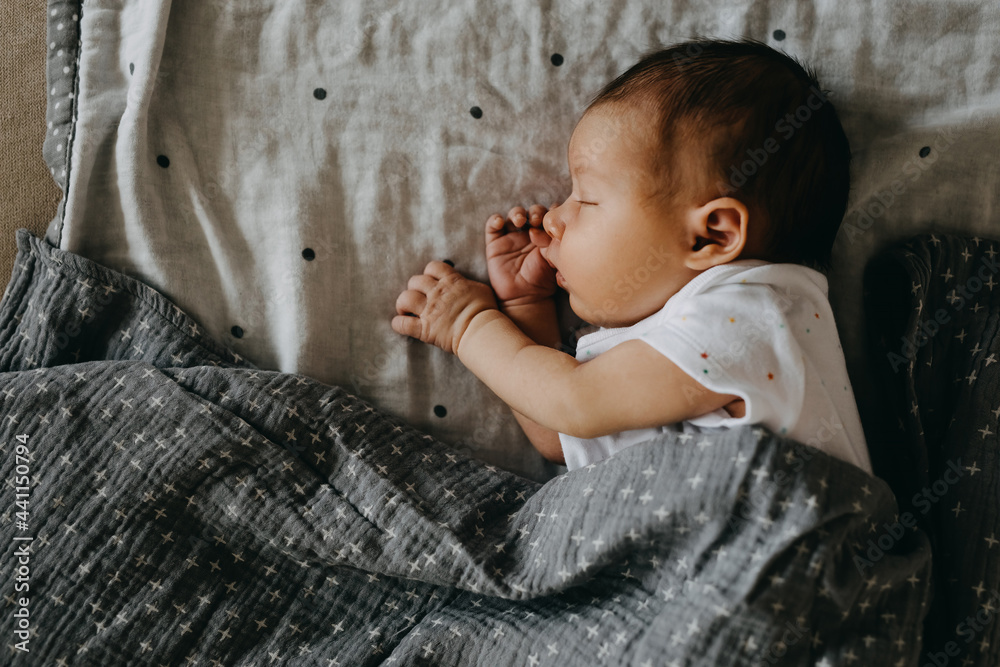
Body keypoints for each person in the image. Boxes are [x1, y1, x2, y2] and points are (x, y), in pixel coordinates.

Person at [391, 38, 873, 475]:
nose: (555, 217)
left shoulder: (753, 316)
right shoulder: (686, 338)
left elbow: (574, 405)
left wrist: (469, 325)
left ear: (710, 236)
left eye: (587, 199)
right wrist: (525, 310)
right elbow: (561, 434)